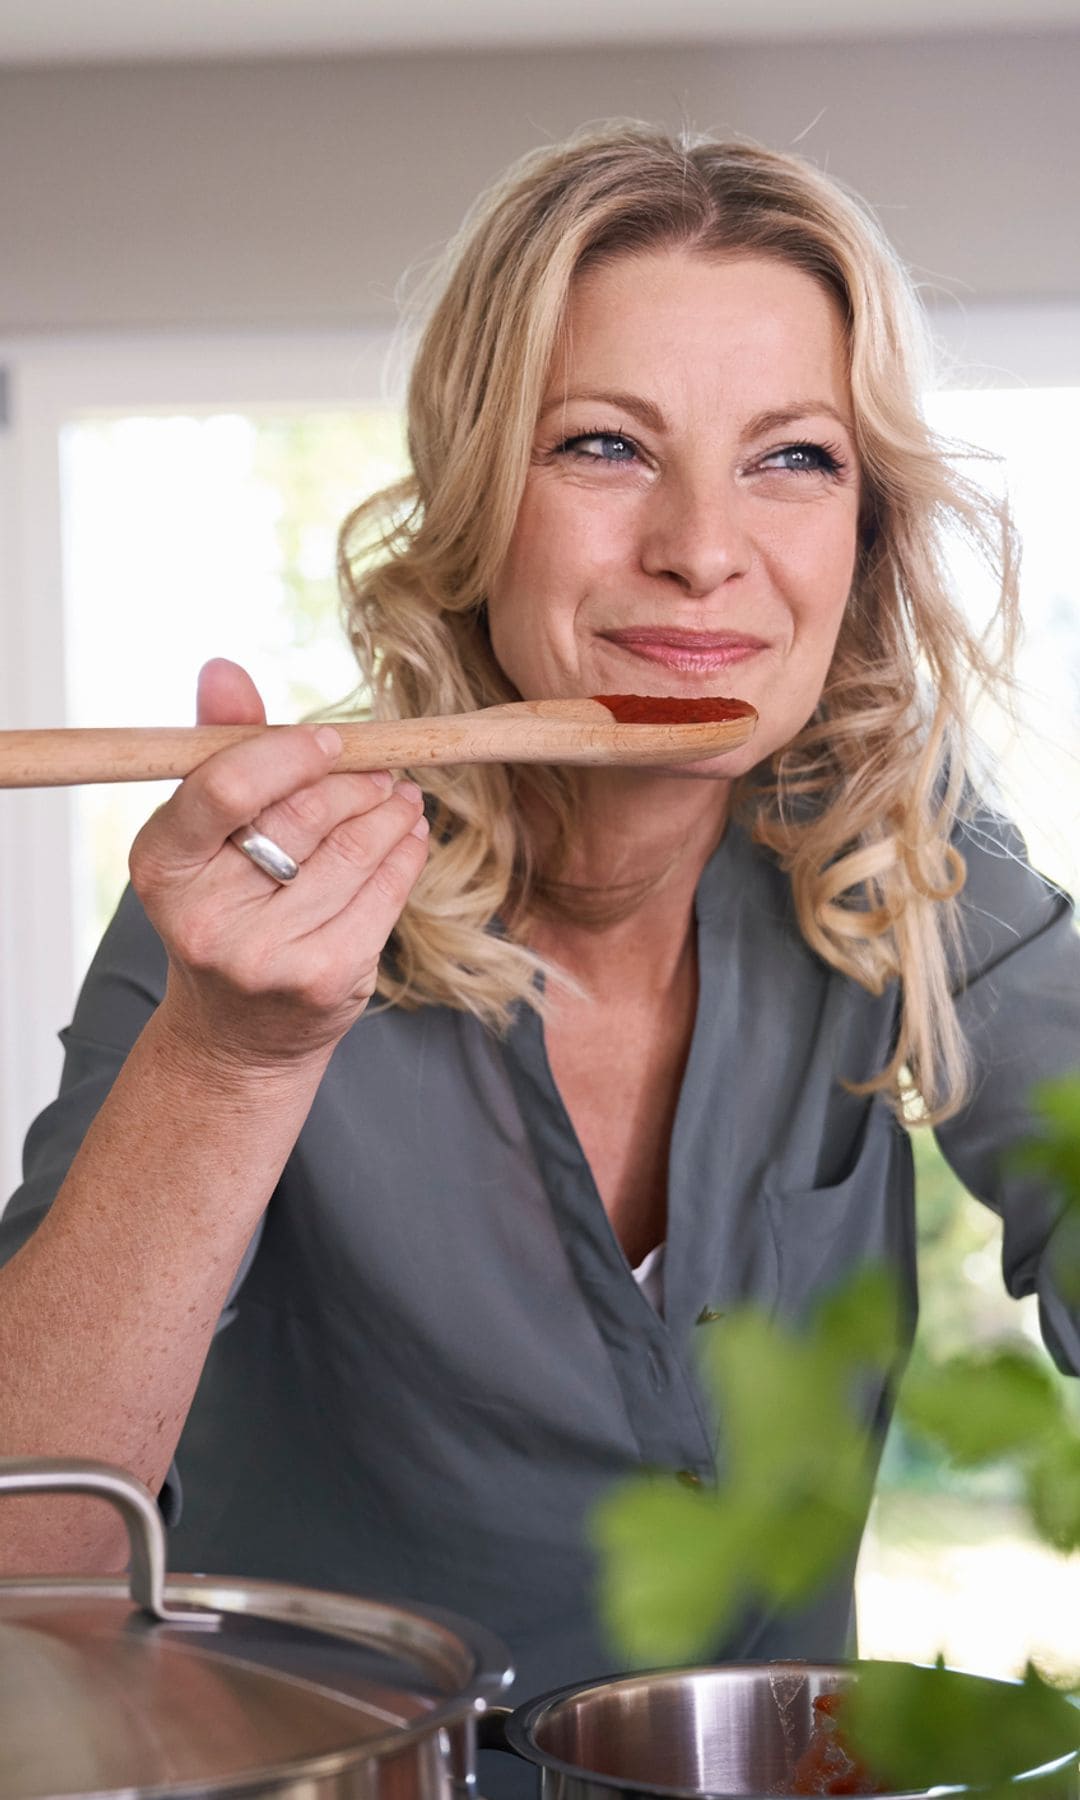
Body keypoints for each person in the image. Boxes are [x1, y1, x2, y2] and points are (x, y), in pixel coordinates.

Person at [1, 120, 1077, 1781]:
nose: (703, 550)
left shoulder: (901, 856)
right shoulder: (250, 915)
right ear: (474, 500)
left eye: (793, 457)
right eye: (603, 446)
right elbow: (25, 1568)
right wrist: (232, 1056)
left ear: (866, 537)